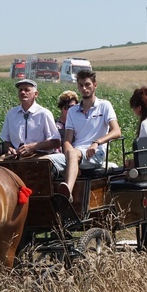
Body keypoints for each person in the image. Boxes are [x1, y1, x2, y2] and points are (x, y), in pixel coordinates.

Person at [49, 69, 121, 202]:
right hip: (75, 154)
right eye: (81, 85)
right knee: (45, 161)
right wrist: (69, 154)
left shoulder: (104, 106)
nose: (84, 88)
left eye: (87, 84)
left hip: (96, 154)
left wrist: (97, 142)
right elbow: (67, 141)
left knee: (73, 154)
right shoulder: (72, 111)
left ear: (95, 85)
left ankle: (67, 193)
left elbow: (116, 131)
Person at [0, 79, 61, 158]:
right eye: (20, 90)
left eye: (27, 90)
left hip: (39, 157)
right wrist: (10, 148)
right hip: (15, 156)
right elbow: (5, 139)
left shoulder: (44, 114)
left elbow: (56, 142)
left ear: (36, 94)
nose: (23, 92)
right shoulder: (11, 114)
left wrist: (33, 147)